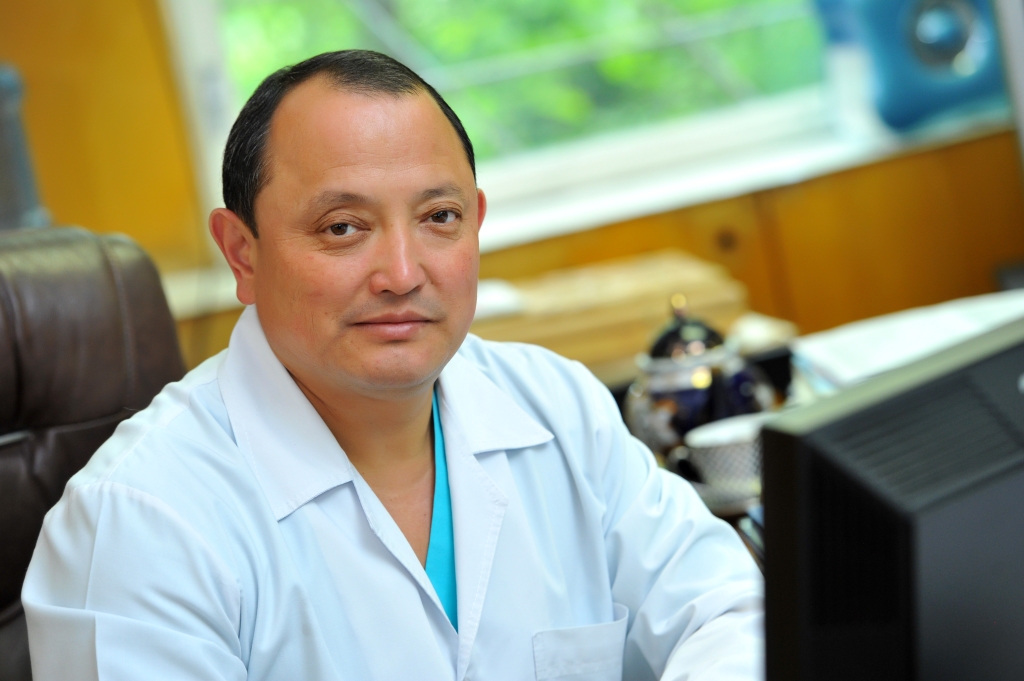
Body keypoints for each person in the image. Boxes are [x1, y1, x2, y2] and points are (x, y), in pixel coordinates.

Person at [22, 50, 763, 680]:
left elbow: (727, 610)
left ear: (475, 222)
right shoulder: (140, 522)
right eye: (343, 227)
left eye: (439, 217)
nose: (403, 274)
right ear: (242, 253)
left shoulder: (555, 405)